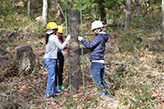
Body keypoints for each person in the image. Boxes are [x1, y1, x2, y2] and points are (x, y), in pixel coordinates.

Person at [78, 20, 111, 97]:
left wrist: (82, 40)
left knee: (96, 79)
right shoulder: (103, 37)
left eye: (93, 30)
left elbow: (89, 45)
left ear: (98, 29)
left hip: (96, 62)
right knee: (101, 79)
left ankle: (102, 93)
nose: (93, 32)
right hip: (101, 61)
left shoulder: (99, 37)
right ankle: (106, 92)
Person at [43, 22, 71, 98]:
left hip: (47, 59)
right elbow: (61, 46)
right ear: (54, 30)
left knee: (52, 75)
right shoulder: (54, 37)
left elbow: (56, 48)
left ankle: (54, 90)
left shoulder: (49, 37)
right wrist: (67, 40)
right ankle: (49, 94)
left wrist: (66, 43)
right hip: (50, 60)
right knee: (51, 77)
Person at [55, 25, 67, 92]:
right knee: (56, 71)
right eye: (58, 33)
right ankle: (56, 85)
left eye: (60, 33)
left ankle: (60, 84)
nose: (59, 34)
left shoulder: (60, 39)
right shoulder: (54, 39)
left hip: (60, 55)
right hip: (55, 55)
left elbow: (64, 47)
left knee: (60, 71)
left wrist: (66, 43)